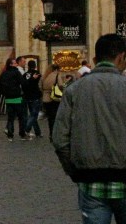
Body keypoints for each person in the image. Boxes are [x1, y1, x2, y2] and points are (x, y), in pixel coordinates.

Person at [53, 34, 126, 224]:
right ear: (122, 57)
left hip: (90, 181)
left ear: (94, 60)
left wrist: (75, 171)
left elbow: (60, 138)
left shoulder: (74, 90)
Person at [0, 58, 27, 141]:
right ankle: (22, 134)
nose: (16, 65)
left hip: (8, 98)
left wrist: (5, 94)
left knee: (10, 118)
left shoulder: (3, 74)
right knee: (20, 117)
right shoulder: (16, 72)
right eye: (15, 63)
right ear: (11, 64)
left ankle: (10, 135)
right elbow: (23, 83)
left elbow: (1, 86)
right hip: (17, 97)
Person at [41, 63, 65, 142]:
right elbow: (61, 85)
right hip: (55, 98)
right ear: (57, 69)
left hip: (46, 99)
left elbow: (40, 86)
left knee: (50, 118)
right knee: (55, 117)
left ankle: (51, 133)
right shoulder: (57, 75)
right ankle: (55, 134)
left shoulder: (45, 76)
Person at [22, 60, 43, 139]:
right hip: (35, 96)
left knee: (32, 115)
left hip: (27, 97)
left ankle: (38, 132)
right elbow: (40, 84)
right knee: (34, 115)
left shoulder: (25, 74)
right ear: (35, 65)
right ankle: (26, 129)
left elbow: (24, 85)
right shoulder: (37, 73)